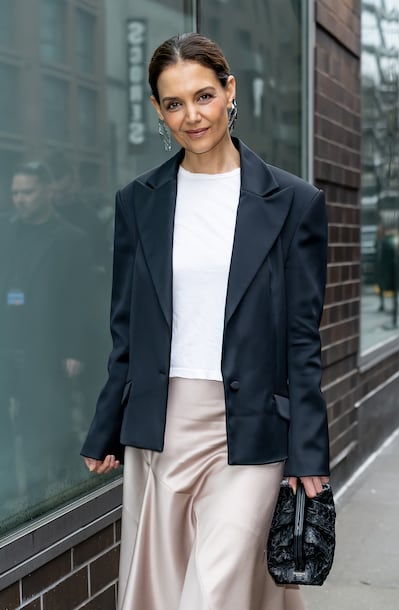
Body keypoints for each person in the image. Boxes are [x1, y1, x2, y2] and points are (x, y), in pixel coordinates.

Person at [81, 33, 330, 610]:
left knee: (211, 595)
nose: (191, 116)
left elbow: (302, 337)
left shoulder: (294, 202)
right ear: (157, 111)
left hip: (252, 430)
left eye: (203, 96)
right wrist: (105, 424)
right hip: (163, 427)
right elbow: (127, 324)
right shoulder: (137, 201)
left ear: (229, 91)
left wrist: (308, 449)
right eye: (173, 103)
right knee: (167, 593)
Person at [0, 162, 89, 502]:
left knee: (42, 425)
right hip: (7, 341)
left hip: (45, 345)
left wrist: (74, 349)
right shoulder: (6, 230)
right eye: (15, 193)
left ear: (47, 191)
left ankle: (42, 497)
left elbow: (79, 300)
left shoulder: (69, 238)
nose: (20, 199)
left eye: (27, 192)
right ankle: (10, 494)